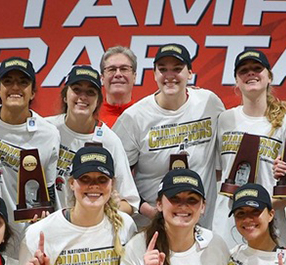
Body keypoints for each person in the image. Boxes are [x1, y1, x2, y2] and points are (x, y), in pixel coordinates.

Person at [113, 43, 225, 229]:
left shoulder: (209, 103)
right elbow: (117, 175)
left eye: (177, 69)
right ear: (154, 74)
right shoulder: (134, 118)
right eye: (163, 69)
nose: (169, 75)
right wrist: (148, 210)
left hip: (201, 227)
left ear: (190, 73)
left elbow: (223, 161)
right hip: (150, 226)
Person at [0, 57, 60, 250]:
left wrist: (45, 217)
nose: (15, 87)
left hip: (23, 232)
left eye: (23, 82)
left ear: (33, 92)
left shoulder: (48, 134)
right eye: (8, 81)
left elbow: (48, 189)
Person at [213, 49, 286, 247]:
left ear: (269, 77)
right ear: (236, 81)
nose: (251, 73)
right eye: (244, 70)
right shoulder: (225, 120)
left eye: (257, 68)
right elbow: (218, 174)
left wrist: (260, 206)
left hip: (270, 224)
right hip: (226, 225)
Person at [47, 64, 139, 213]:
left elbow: (130, 204)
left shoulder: (109, 141)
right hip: (50, 224)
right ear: (65, 95)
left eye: (90, 92)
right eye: (76, 90)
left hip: (91, 228)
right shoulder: (47, 129)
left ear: (98, 101)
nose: (83, 97)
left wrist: (113, 205)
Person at [99, 46, 138, 126]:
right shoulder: (91, 116)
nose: (118, 74)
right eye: (111, 69)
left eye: (124, 69)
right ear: (102, 78)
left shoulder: (145, 115)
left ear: (134, 77)